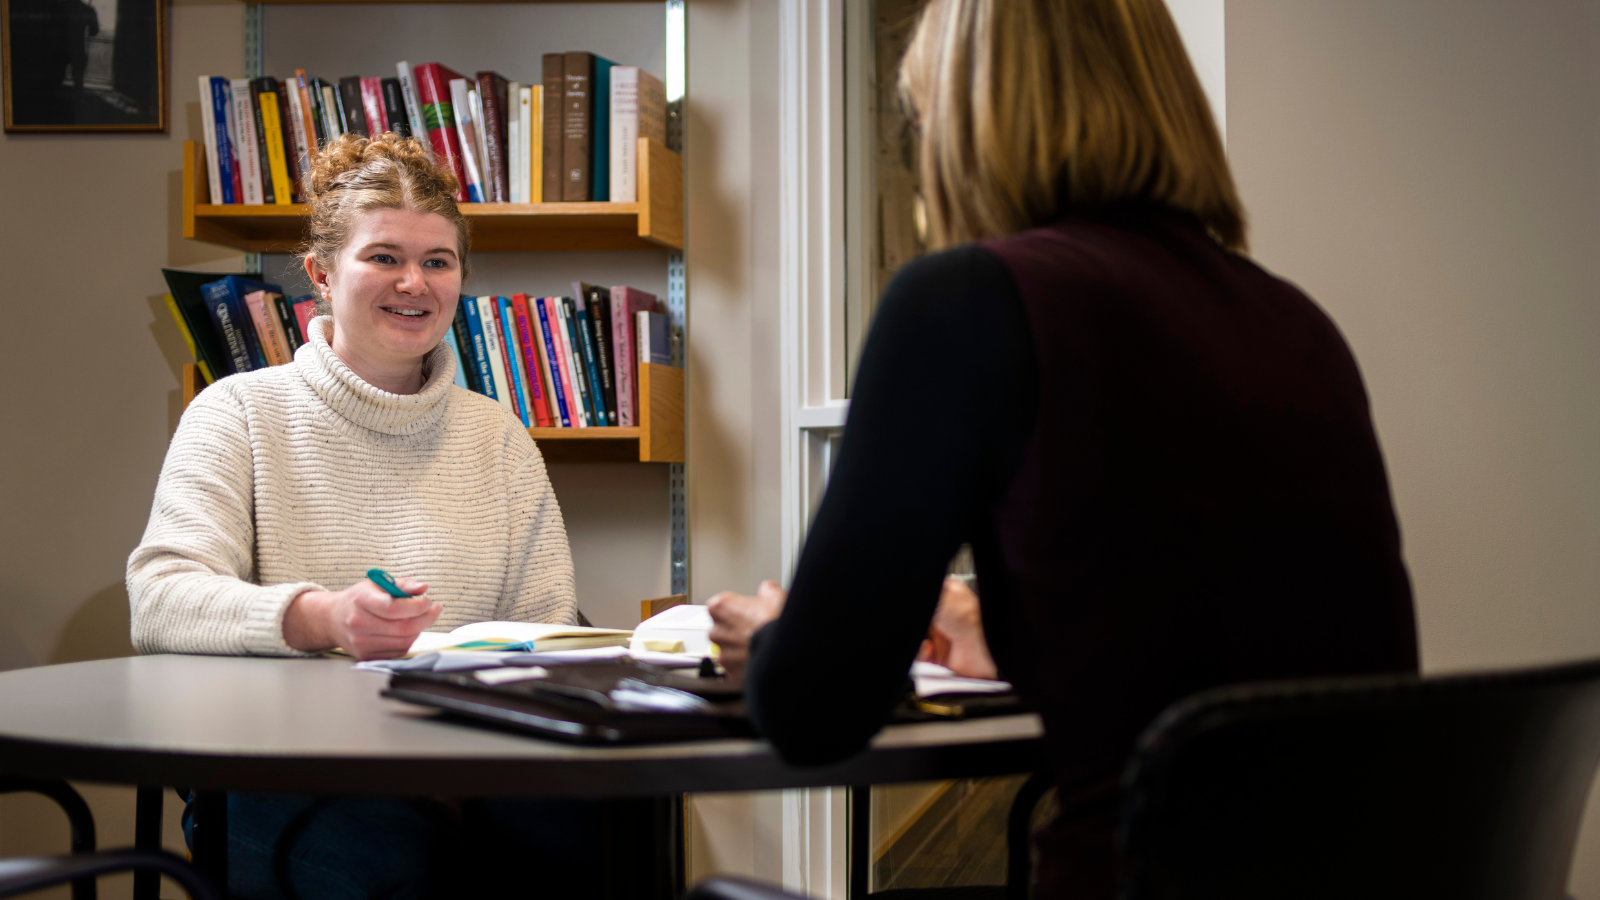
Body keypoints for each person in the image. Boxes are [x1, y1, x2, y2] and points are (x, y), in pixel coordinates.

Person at [707, 1, 1419, 898]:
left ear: (966, 121)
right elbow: (1230, 647)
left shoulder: (969, 299)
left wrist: (776, 640)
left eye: (923, 121)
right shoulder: (1298, 324)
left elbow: (815, 714)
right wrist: (1005, 640)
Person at [127, 132, 583, 899]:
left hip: (474, 772)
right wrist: (323, 618)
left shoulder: (498, 436)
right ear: (320, 273)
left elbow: (550, 626)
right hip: (281, 776)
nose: (414, 282)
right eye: (384, 257)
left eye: (437, 262)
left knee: (617, 844)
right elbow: (161, 597)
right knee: (399, 869)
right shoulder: (237, 414)